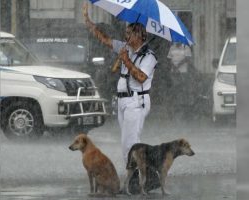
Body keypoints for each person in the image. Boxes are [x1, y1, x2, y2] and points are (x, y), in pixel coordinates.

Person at [83, 3, 157, 164]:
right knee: (127, 141)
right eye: (126, 33)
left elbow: (141, 77)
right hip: (123, 100)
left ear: (139, 35)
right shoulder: (125, 48)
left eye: (129, 34)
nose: (126, 37)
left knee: (129, 142)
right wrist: (90, 24)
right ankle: (136, 173)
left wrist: (126, 60)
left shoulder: (148, 56)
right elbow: (105, 40)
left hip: (136, 100)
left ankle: (136, 175)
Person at [167, 42, 194, 120]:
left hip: (183, 72)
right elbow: (169, 59)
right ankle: (175, 109)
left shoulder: (186, 47)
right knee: (175, 91)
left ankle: (184, 110)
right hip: (174, 73)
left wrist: (178, 65)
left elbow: (188, 58)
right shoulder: (172, 47)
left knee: (183, 91)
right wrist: (174, 67)